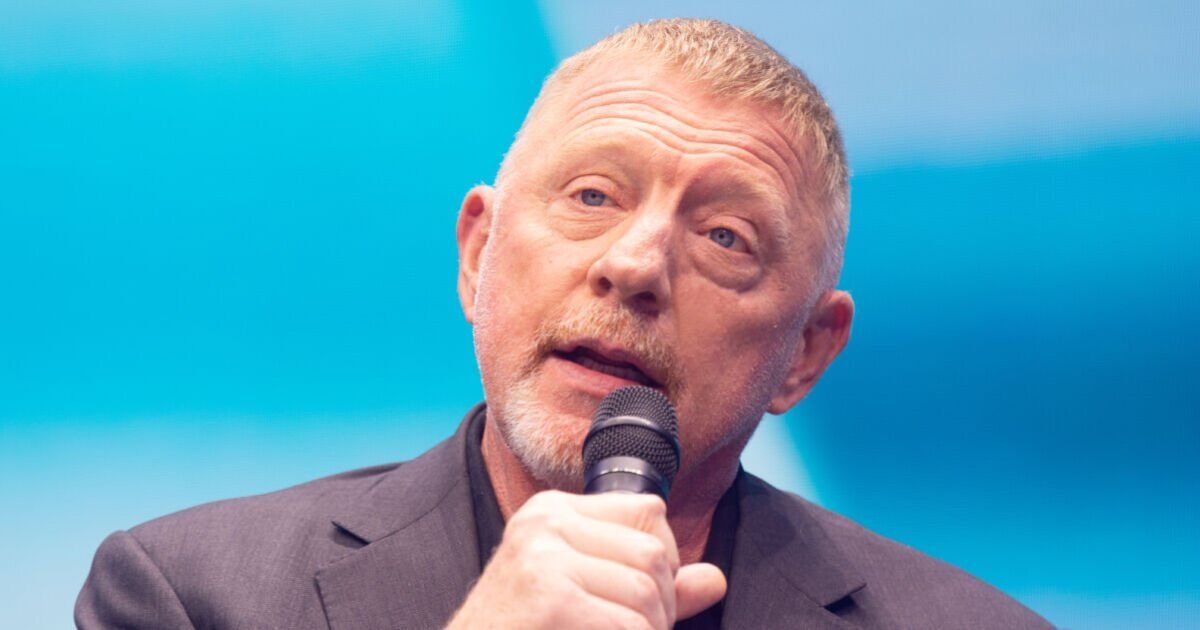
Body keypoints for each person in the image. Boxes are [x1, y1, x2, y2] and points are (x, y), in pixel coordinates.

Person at [76, 18, 1052, 629]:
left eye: (724, 236)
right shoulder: (192, 596)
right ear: (477, 254)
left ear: (805, 354)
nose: (635, 265)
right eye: (591, 195)